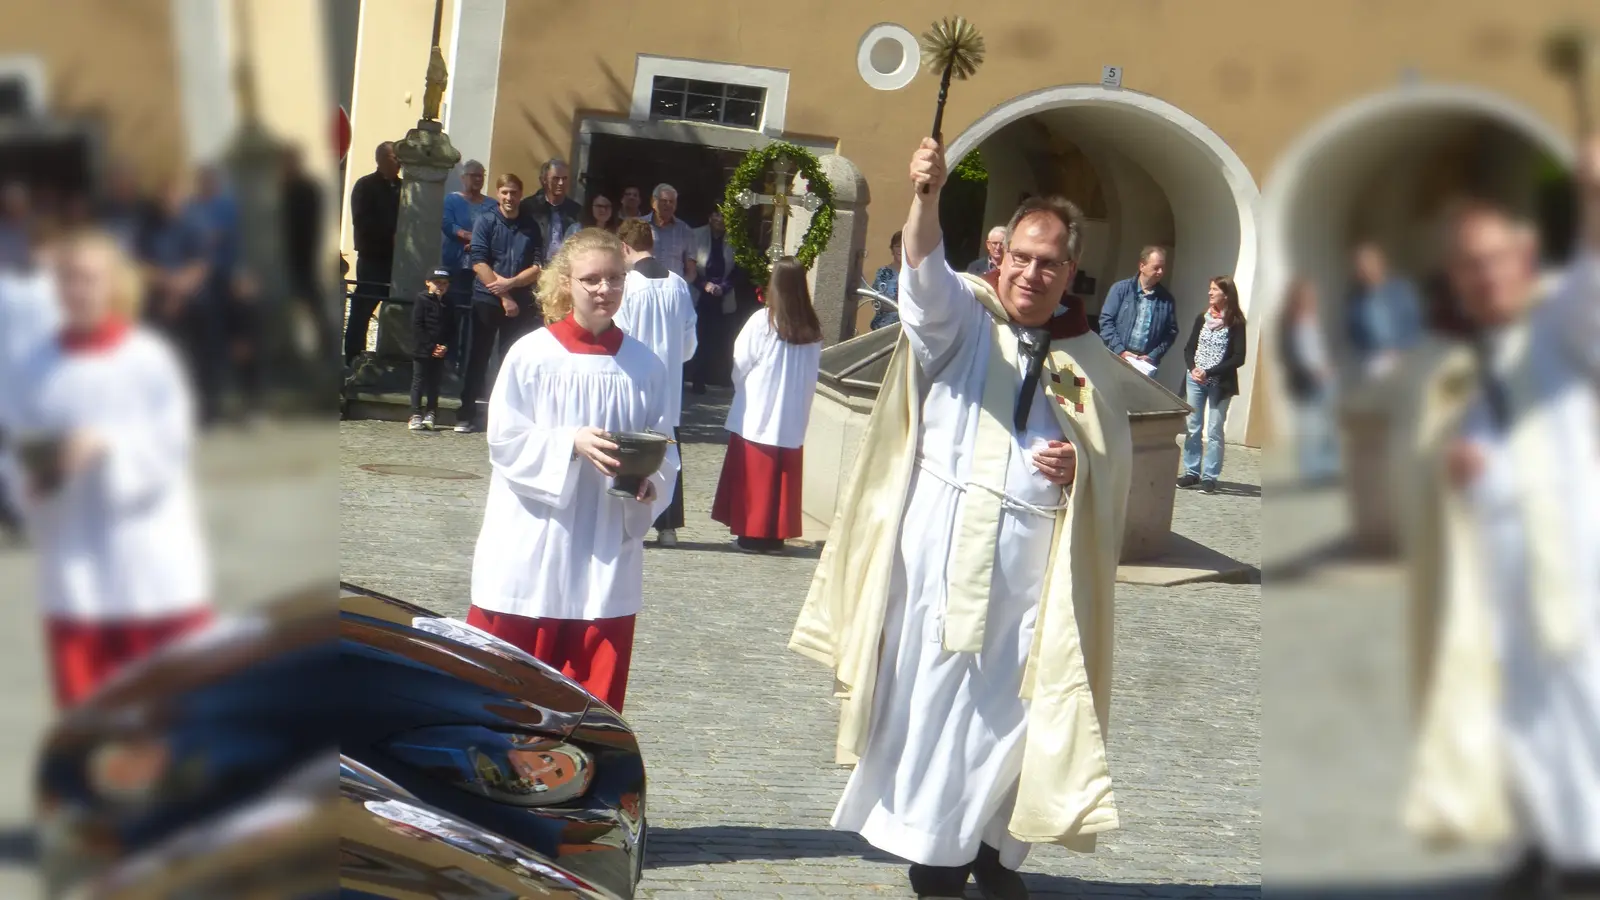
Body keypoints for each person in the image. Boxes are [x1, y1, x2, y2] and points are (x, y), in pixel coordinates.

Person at [791, 138, 1136, 900]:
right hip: (945, 564)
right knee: (942, 712)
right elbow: (921, 274)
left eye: (1050, 264)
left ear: (1069, 274)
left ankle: (990, 851)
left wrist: (1084, 469)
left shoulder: (1085, 359)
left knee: (1014, 721)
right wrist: (925, 196)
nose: (1033, 273)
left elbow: (1113, 463)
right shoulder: (962, 325)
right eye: (1022, 257)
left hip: (1031, 582)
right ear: (1000, 253)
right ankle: (936, 859)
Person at [1402, 192, 1600, 900]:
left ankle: (1584, 855)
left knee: (1580, 702)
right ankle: (1538, 842)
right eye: (1466, 269)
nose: (1481, 278)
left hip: (1576, 561)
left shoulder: (1567, 329)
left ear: (1524, 260)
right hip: (1495, 565)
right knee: (1511, 706)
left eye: (1492, 261)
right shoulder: (1470, 359)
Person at [464, 228, 678, 713]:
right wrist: (569, 442)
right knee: (506, 697)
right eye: (592, 279)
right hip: (535, 540)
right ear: (566, 283)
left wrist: (650, 483)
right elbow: (504, 440)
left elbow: (666, 447)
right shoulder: (532, 355)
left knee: (589, 708)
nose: (606, 290)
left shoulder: (645, 366)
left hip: (604, 543)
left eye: (615, 279)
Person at [4, 230, 212, 707]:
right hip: (75, 575)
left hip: (151, 573)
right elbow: (15, 448)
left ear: (114, 286)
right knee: (87, 727)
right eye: (67, 280)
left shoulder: (148, 360)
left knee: (169, 720)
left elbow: (170, 448)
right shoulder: (33, 366)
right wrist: (29, 480)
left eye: (89, 280)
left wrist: (107, 447)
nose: (77, 291)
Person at [712, 257, 823, 554]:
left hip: (759, 409)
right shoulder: (812, 328)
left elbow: (740, 362)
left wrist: (742, 388)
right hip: (792, 413)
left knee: (755, 477)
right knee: (780, 480)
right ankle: (775, 536)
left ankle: (751, 534)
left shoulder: (764, 320)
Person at [615, 219, 697, 547]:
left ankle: (627, 518)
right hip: (669, 381)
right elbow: (690, 339)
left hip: (635, 379)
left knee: (632, 447)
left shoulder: (628, 285)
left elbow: (620, 335)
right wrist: (674, 361)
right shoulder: (678, 283)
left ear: (624, 247)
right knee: (668, 447)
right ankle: (668, 526)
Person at [456, 173, 544, 434]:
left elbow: (538, 265)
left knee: (511, 361)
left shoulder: (530, 225)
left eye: (514, 192)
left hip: (521, 301)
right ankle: (466, 414)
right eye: (505, 192)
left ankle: (504, 418)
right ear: (498, 194)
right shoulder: (485, 221)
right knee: (477, 357)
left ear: (520, 194)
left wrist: (513, 283)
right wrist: (503, 295)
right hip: (487, 300)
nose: (509, 197)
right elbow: (479, 261)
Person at [1176, 276, 1248, 493]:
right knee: (1193, 426)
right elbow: (1189, 348)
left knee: (1215, 429)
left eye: (1214, 289)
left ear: (1226, 295)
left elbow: (1238, 357)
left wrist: (1210, 371)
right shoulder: (1202, 318)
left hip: (1219, 383)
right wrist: (1193, 368)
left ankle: (1210, 476)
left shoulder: (1236, 323)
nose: (1210, 293)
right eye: (1210, 289)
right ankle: (1191, 472)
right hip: (1195, 380)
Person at [1277, 278, 1339, 484]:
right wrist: (1311, 372)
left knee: (1327, 427)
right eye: (1307, 295)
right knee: (1309, 427)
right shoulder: (1288, 322)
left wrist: (1327, 368)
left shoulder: (1313, 319)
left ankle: (1328, 469)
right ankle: (1312, 472)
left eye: (1312, 296)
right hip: (1305, 382)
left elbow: (1319, 349)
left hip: (1325, 379)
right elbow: (1291, 354)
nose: (1311, 299)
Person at [346, 141, 401, 366]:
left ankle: (389, 354)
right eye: (394, 158)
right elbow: (362, 221)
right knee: (364, 306)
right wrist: (390, 235)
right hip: (373, 257)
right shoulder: (366, 185)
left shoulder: (404, 187)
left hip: (398, 261)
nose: (399, 163)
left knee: (397, 308)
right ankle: (353, 356)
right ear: (381, 160)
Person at [441, 160, 495, 370]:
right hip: (455, 264)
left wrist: (478, 242)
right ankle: (450, 359)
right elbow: (447, 224)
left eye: (481, 175)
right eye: (473, 175)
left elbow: (493, 227)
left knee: (475, 316)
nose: (478, 179)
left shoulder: (491, 204)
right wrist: (467, 236)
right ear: (463, 178)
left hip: (479, 268)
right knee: (453, 311)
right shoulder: (453, 200)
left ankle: (470, 362)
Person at [1346, 241, 1424, 378]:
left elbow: (1415, 322)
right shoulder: (1355, 300)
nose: (1363, 270)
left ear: (1379, 263)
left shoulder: (1401, 290)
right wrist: (1370, 355)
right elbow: (1354, 333)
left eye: (1367, 264)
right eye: (1360, 267)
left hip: (1406, 356)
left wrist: (1401, 350)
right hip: (1375, 363)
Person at [1097, 245, 1179, 374]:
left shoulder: (1166, 299)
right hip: (1116, 357)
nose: (1160, 272)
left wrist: (1153, 356)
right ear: (1142, 266)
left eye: (1163, 268)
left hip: (1144, 365)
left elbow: (1171, 332)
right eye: (1156, 267)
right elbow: (1106, 321)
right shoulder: (1121, 289)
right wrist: (1121, 351)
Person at [689, 208, 740, 392]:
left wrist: (723, 287)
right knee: (698, 337)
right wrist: (704, 285)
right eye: (716, 214)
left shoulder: (734, 238)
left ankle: (720, 377)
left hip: (722, 296)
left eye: (724, 214)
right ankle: (696, 379)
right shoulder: (695, 235)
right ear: (710, 217)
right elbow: (689, 266)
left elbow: (737, 271)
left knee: (721, 338)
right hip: (700, 294)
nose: (720, 219)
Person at [409, 269, 455, 431]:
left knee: (434, 383)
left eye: (444, 284)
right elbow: (417, 325)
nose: (441, 287)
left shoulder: (449, 303)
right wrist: (431, 346)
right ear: (428, 283)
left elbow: (452, 328)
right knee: (419, 381)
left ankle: (431, 412)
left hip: (440, 349)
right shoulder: (422, 299)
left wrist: (445, 346)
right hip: (422, 348)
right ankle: (415, 414)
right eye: (437, 283)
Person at [520, 158, 583, 264]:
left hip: (564, 268)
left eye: (564, 178)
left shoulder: (576, 210)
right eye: (556, 178)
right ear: (544, 179)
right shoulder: (528, 207)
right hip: (534, 268)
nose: (561, 183)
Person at [642, 184, 697, 281]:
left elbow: (691, 271)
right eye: (664, 201)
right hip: (646, 288)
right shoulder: (640, 226)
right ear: (653, 202)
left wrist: (681, 286)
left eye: (672, 202)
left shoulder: (685, 230)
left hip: (673, 290)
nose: (668, 205)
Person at [869, 231, 903, 331]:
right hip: (884, 328)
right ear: (892, 249)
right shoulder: (883, 272)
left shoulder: (916, 274)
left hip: (907, 330)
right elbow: (876, 301)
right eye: (897, 246)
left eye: (904, 246)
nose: (901, 250)